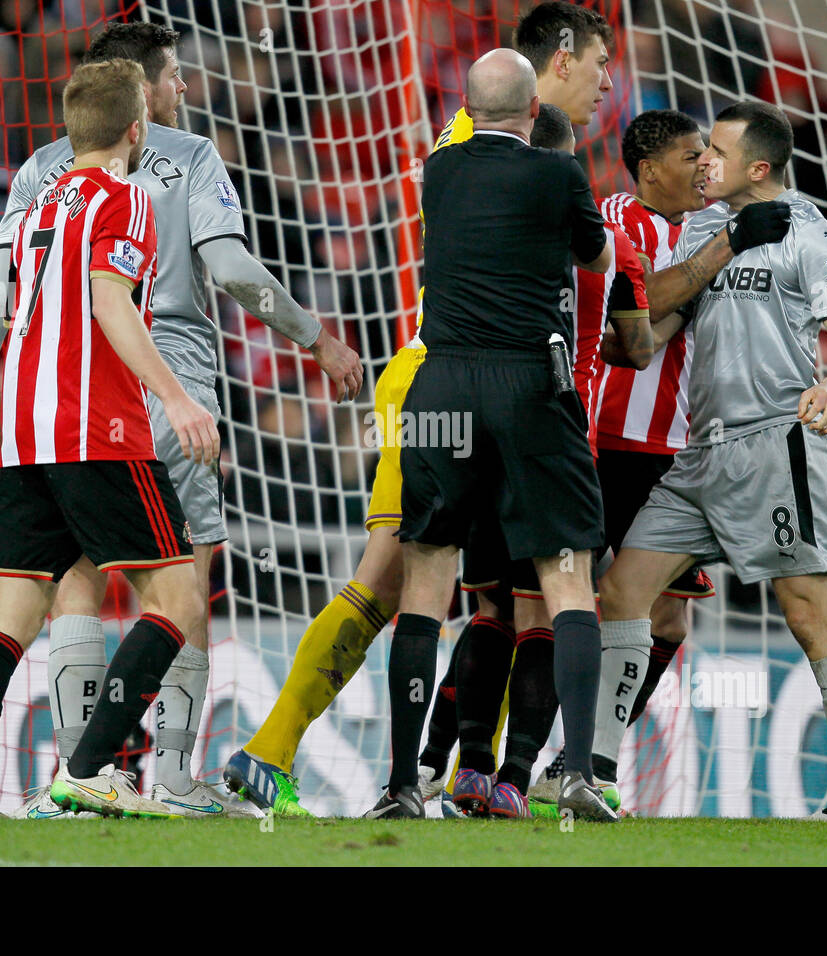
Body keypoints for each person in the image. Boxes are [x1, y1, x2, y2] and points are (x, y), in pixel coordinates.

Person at [225, 0, 788, 817]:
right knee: (404, 578)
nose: (608, 85)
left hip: (463, 381)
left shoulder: (511, 151)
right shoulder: (493, 149)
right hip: (449, 370)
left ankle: (471, 769)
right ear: (558, 62)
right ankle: (273, 753)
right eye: (600, 66)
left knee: (491, 592)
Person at [0, 23, 362, 819]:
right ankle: (168, 775)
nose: (185, 89)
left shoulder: (45, 166)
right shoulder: (187, 158)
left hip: (51, 394)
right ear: (142, 93)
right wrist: (315, 337)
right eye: (174, 75)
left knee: (70, 581)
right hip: (156, 374)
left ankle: (70, 785)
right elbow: (235, 270)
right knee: (185, 575)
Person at [0, 59, 215, 820]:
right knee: (179, 593)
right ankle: (91, 767)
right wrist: (178, 397)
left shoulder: (32, 210)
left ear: (69, 130)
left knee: (14, 613)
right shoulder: (125, 199)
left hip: (24, 431)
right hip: (97, 427)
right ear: (137, 129)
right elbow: (108, 303)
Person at [598, 100, 827, 822]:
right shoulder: (705, 228)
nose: (703, 163)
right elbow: (653, 318)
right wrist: (632, 335)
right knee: (623, 594)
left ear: (758, 167)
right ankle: (593, 773)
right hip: (699, 454)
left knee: (806, 614)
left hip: (773, 447)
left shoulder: (809, 236)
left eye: (717, 153)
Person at [364, 47, 619, 821]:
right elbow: (598, 255)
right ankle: (574, 775)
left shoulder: (436, 173)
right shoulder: (558, 174)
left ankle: (405, 783)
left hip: (440, 386)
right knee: (566, 576)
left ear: (470, 109)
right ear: (534, 111)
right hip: (528, 386)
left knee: (428, 578)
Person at [530, 109, 719, 811]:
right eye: (691, 155)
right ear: (648, 169)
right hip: (606, 444)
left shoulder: (710, 228)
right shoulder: (615, 218)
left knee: (669, 623)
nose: (705, 166)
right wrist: (712, 264)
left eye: (709, 154)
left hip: (679, 453)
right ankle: (504, 764)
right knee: (563, 606)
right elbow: (627, 329)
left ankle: (578, 763)